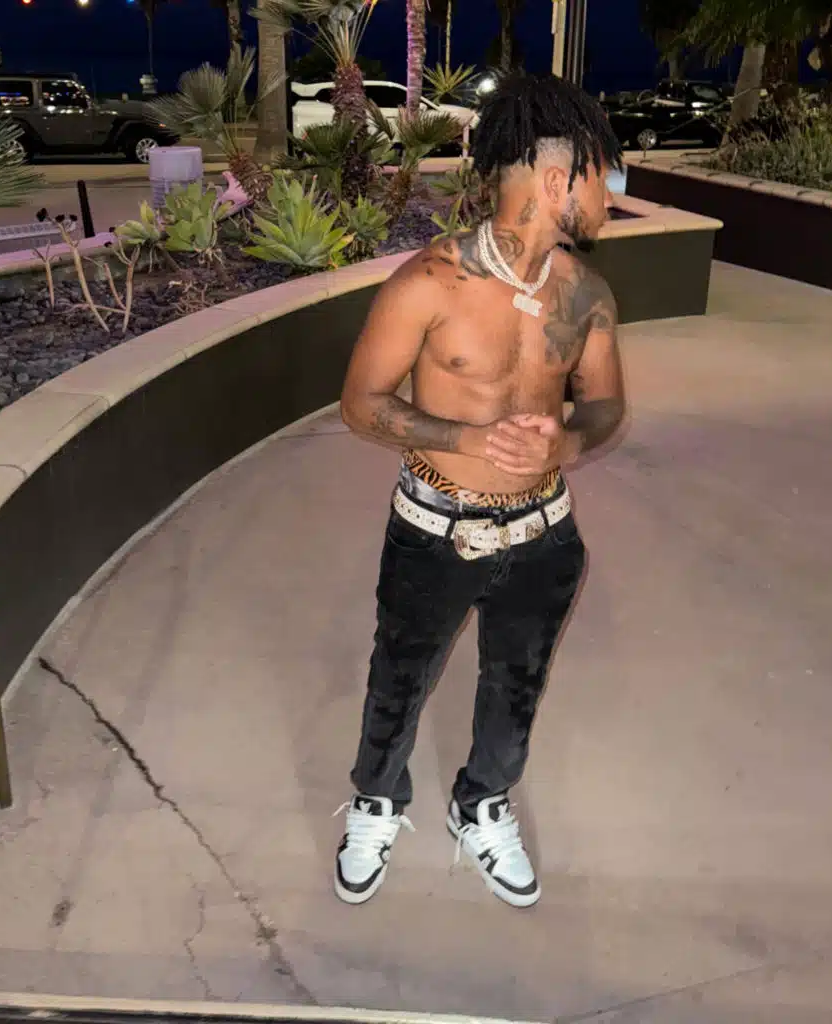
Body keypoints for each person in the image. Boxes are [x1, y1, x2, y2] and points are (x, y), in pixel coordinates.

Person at [334, 72, 626, 908]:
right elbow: (360, 404)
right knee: (399, 677)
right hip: (435, 526)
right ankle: (376, 801)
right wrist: (465, 439)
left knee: (517, 682)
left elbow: (606, 406)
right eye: (605, 176)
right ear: (558, 181)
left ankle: (482, 804)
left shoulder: (586, 294)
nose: (612, 196)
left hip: (544, 533)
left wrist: (568, 439)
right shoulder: (428, 284)